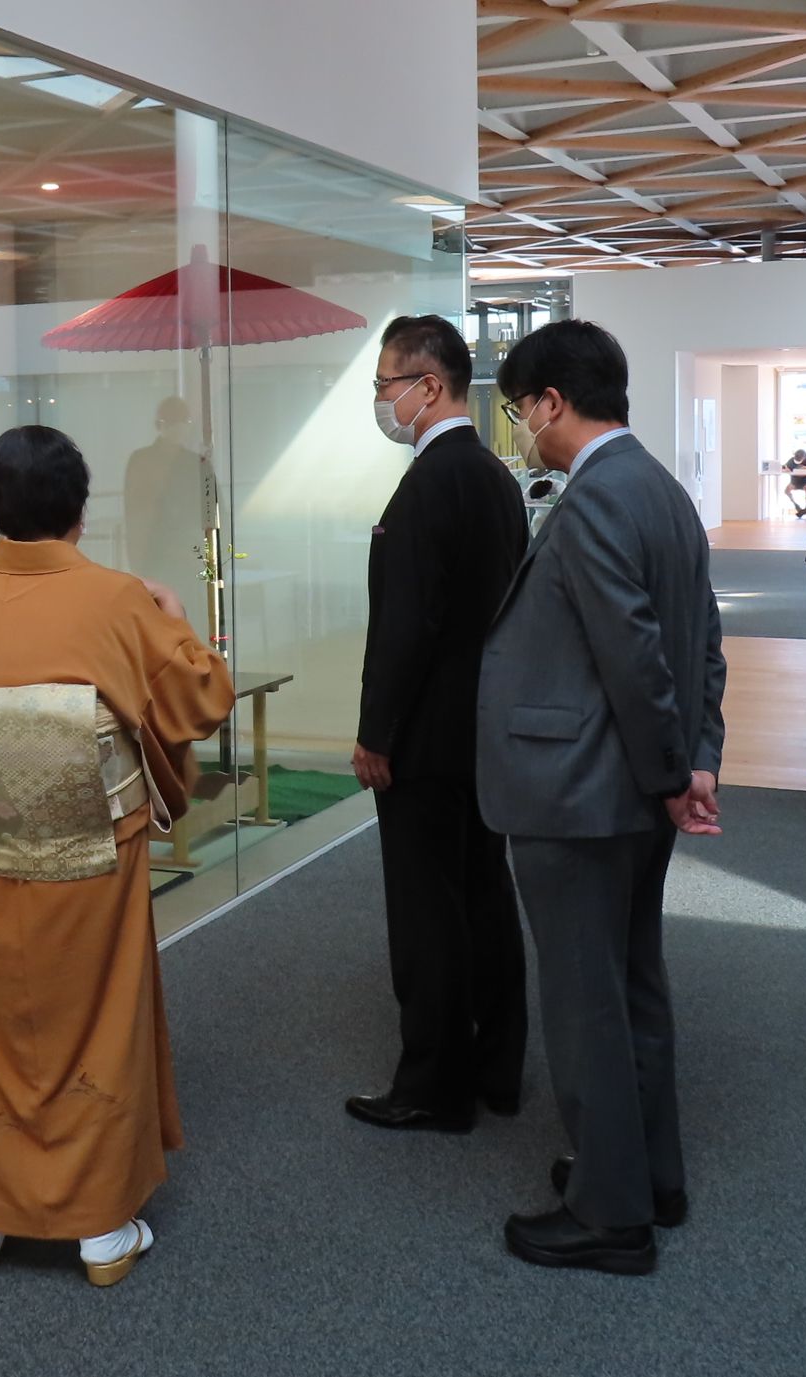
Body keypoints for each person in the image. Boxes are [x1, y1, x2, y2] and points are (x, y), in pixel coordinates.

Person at [0, 426, 233, 1287]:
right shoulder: (114, 597)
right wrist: (175, 619)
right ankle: (98, 1227)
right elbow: (202, 695)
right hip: (94, 848)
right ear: (79, 509)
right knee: (98, 1018)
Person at [479, 319, 726, 1277]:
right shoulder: (661, 488)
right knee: (631, 986)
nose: (523, 429)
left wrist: (672, 774)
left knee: (585, 1002)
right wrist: (693, 760)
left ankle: (609, 1213)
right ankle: (646, 1171)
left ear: (550, 403)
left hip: (579, 793)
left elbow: (635, 658)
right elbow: (700, 642)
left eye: (520, 410)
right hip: (628, 786)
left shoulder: (589, 505)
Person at [345, 314, 529, 1136]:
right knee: (483, 895)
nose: (381, 402)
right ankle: (497, 1066)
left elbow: (406, 628)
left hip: (423, 736)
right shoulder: (494, 476)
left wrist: (376, 732)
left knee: (427, 912)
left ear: (427, 386)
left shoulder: (427, 485)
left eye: (386, 385)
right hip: (481, 731)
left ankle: (431, 1083)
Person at [123, 395, 218, 649]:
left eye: (184, 421)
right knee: (156, 628)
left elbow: (213, 514)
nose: (179, 427)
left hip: (188, 556)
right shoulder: (142, 461)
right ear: (159, 425)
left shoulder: (197, 463)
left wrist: (208, 559)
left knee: (190, 624)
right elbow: (135, 514)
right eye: (172, 421)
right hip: (155, 557)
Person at [784, 448, 806, 518]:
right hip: (795, 481)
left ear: (804, 457)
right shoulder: (792, 460)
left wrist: (805, 467)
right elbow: (785, 466)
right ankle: (796, 505)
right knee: (786, 490)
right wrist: (786, 469)